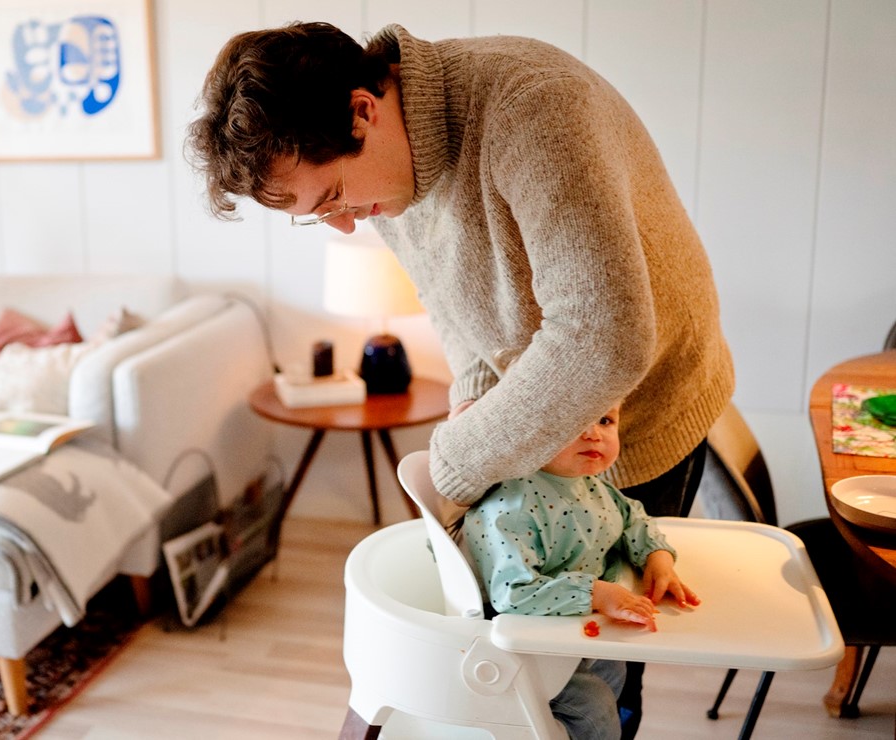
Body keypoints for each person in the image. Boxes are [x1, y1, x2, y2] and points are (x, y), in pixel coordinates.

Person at [186, 22, 734, 736]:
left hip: (640, 410)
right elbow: (461, 313)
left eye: (332, 199)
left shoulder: (535, 107)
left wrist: (456, 458)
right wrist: (472, 407)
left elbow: (606, 337)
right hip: (541, 404)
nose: (344, 227)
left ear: (362, 111)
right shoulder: (384, 180)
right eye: (316, 216)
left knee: (601, 660)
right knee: (530, 649)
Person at [463, 404, 699, 738]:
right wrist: (598, 593)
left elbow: (631, 516)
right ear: (532, 432)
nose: (594, 433)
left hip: (569, 630)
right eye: (573, 419)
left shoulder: (588, 484)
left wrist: (656, 556)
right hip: (517, 646)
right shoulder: (514, 508)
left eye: (606, 420)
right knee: (595, 707)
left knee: (615, 669)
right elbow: (511, 593)